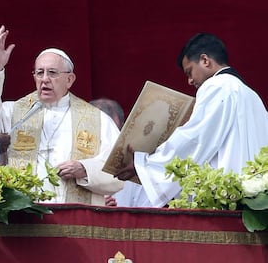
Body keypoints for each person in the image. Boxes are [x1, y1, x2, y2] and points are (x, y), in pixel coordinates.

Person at [0, 25, 123, 205]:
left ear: (70, 79)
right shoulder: (13, 112)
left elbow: (118, 171)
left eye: (52, 73)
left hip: (74, 222)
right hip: (24, 220)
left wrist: (85, 169)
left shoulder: (98, 120)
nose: (45, 79)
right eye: (39, 72)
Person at [115, 33, 268, 208]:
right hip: (256, 198)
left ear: (205, 60)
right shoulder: (251, 95)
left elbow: (195, 138)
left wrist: (146, 163)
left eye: (189, 72)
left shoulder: (216, 86)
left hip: (225, 197)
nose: (189, 80)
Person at [90, 98, 151, 207]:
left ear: (123, 130)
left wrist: (117, 215)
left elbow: (146, 214)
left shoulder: (134, 168)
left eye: (111, 131)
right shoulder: (72, 163)